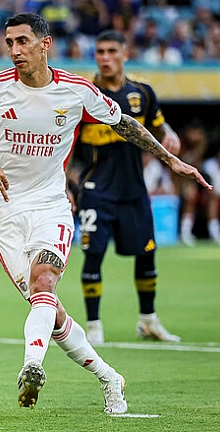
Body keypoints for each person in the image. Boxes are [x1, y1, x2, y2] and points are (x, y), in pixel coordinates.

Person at [0, 13, 210, 413]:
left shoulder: (76, 90)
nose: (15, 50)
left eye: (23, 41)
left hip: (51, 206)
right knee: (50, 312)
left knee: (44, 281)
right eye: (10, 43)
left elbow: (123, 123)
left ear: (45, 44)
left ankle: (31, 366)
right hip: (3, 211)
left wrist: (170, 159)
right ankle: (109, 377)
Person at [76, 30, 183, 346]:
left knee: (147, 255)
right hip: (95, 190)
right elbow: (65, 143)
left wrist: (169, 133)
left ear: (125, 54)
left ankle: (148, 321)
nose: (105, 58)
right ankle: (93, 327)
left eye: (112, 51)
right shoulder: (83, 95)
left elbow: (158, 125)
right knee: (93, 255)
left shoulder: (143, 93)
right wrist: (66, 183)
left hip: (134, 190)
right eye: (100, 52)